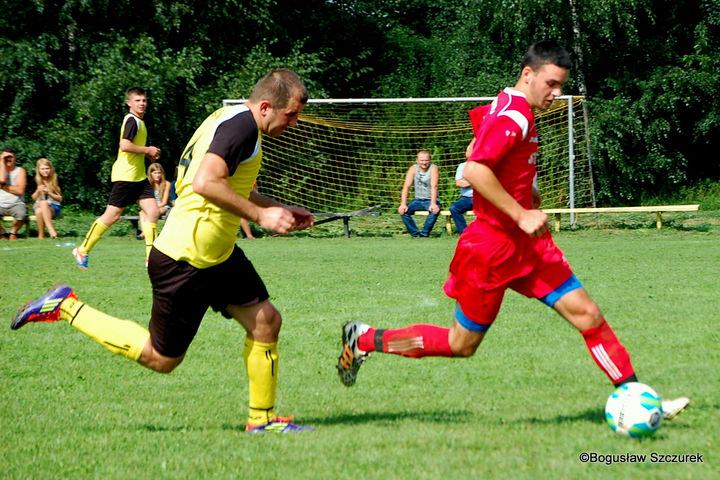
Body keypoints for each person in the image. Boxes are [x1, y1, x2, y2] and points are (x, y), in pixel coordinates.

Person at [336, 41, 689, 420]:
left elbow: (498, 158)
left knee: (588, 315)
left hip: (530, 247)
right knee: (461, 343)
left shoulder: (512, 108)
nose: (556, 94)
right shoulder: (514, 116)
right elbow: (474, 170)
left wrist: (527, 189)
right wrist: (521, 213)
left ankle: (636, 399)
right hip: (492, 248)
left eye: (561, 86)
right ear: (528, 74)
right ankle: (366, 338)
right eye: (551, 84)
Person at [12, 69, 315, 434]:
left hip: (216, 254)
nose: (294, 123)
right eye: (291, 115)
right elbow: (205, 183)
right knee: (162, 359)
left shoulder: (230, 118)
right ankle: (65, 306)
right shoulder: (242, 128)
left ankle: (262, 420)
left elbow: (231, 184)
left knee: (266, 320)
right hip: (184, 258)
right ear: (266, 106)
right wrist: (261, 215)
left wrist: (278, 207)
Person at [72, 87, 162, 269]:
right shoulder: (132, 121)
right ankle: (82, 250)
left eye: (144, 100)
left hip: (138, 177)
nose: (142, 103)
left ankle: (151, 258)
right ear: (129, 103)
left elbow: (131, 148)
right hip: (126, 176)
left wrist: (147, 155)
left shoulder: (139, 122)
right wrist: (147, 150)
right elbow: (124, 145)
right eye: (137, 100)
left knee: (152, 211)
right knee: (112, 216)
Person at [398, 150, 440, 237]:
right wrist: (403, 204)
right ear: (417, 160)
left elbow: (434, 186)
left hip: (430, 199)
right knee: (403, 211)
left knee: (434, 211)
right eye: (422, 160)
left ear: (430, 160)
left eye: (426, 160)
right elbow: (406, 186)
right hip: (418, 200)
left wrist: (433, 204)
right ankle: (415, 234)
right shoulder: (413, 169)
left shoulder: (433, 168)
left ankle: (424, 234)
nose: (424, 163)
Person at [137, 163, 171, 238]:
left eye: (159, 173)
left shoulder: (167, 184)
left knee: (155, 211)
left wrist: (153, 208)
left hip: (164, 207)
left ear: (162, 174)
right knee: (142, 212)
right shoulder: (147, 185)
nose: (157, 175)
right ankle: (145, 232)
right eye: (155, 173)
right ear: (150, 174)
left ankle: (146, 233)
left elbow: (164, 202)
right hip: (152, 207)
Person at [31, 158, 63, 239]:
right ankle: (41, 236)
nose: (45, 171)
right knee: (39, 210)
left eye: (47, 168)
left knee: (43, 203)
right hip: (39, 206)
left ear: (50, 169)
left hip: (53, 207)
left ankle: (50, 230)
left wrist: (49, 193)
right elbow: (33, 198)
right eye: (42, 169)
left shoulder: (54, 179)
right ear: (38, 170)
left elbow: (60, 199)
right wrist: (38, 191)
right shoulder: (36, 180)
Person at [0, 148, 28, 240]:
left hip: (16, 203)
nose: (8, 159)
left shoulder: (20, 171)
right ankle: (2, 232)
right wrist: (2, 162)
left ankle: (13, 232)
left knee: (22, 214)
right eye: (5, 157)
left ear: (15, 158)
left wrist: (3, 186)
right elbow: (2, 180)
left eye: (10, 156)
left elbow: (20, 191)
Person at [449, 161, 473, 235]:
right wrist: (477, 182)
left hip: (483, 197)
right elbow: (459, 183)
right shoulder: (462, 166)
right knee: (454, 208)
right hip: (467, 198)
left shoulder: (485, 164)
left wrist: (467, 182)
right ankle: (464, 233)